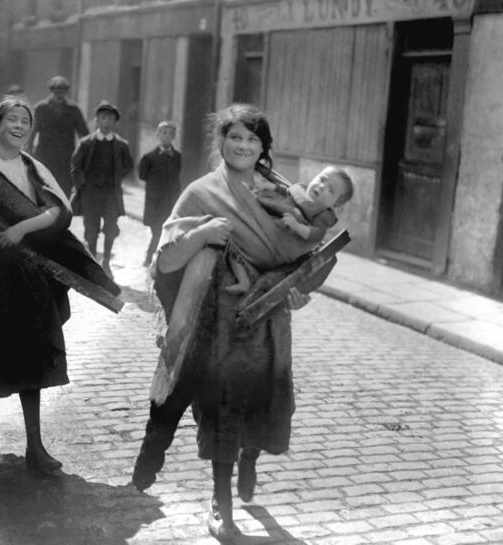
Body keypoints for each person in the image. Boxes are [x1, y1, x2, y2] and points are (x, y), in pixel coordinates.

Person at [130, 104, 314, 539]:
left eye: (252, 139)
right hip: (207, 315)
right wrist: (201, 234)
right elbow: (166, 255)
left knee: (251, 403)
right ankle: (191, 479)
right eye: (235, 137)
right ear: (222, 142)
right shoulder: (201, 191)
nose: (244, 146)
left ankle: (240, 470)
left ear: (263, 146)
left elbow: (301, 260)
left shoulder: (281, 197)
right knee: (188, 396)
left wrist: (299, 292)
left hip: (261, 319)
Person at [0, 97, 118, 473]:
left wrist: (19, 229)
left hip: (28, 275)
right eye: (12, 119)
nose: (20, 125)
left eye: (26, 121)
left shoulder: (34, 168)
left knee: (33, 356)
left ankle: (35, 447)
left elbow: (57, 212)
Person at [226, 165, 354, 293]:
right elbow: (286, 192)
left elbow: (317, 234)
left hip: (279, 243)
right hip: (269, 227)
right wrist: (270, 186)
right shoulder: (301, 192)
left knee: (235, 237)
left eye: (330, 190)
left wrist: (298, 227)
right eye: (322, 179)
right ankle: (243, 279)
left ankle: (244, 277)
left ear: (335, 204)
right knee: (231, 243)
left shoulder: (323, 214)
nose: (321, 186)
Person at [70, 100, 134, 274]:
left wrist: (116, 178)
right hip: (91, 194)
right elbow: (76, 167)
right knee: (91, 230)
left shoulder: (121, 145)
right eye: (103, 118)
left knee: (111, 229)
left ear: (115, 122)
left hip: (111, 195)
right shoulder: (86, 143)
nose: (106, 122)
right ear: (96, 120)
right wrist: (82, 186)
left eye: (110, 119)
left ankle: (106, 262)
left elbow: (128, 165)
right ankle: (92, 263)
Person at [30, 75, 89, 196]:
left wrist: (84, 155)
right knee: (44, 189)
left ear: (66, 92)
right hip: (45, 156)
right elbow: (32, 132)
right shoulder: (41, 108)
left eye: (62, 92)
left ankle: (62, 214)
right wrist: (29, 153)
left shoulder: (74, 110)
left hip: (66, 158)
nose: (59, 95)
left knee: (64, 189)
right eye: (56, 92)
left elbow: (84, 134)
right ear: (51, 92)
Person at [139, 121, 182, 267]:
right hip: (155, 201)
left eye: (170, 133)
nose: (167, 136)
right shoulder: (149, 158)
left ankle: (152, 258)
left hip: (170, 201)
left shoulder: (177, 157)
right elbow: (142, 176)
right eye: (164, 132)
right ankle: (152, 256)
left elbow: (177, 176)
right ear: (158, 135)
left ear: (174, 136)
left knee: (164, 230)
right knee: (157, 231)